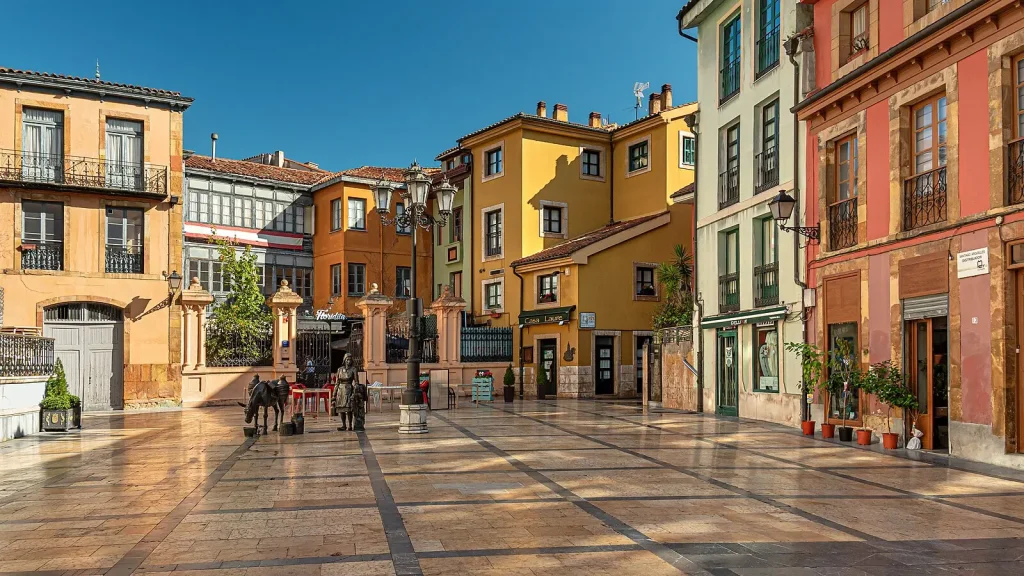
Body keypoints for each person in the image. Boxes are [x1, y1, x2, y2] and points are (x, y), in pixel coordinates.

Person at [334, 355, 356, 431]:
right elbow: (337, 383)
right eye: (347, 359)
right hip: (340, 390)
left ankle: (350, 425)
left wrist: (354, 393)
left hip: (349, 389)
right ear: (344, 360)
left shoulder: (353, 370)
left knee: (349, 409)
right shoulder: (339, 370)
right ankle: (343, 425)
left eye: (350, 359)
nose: (348, 361)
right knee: (341, 409)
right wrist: (334, 394)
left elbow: (356, 383)